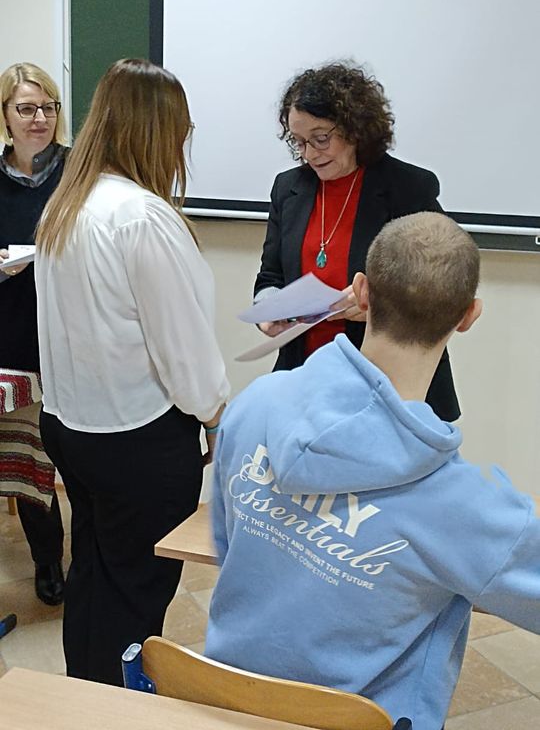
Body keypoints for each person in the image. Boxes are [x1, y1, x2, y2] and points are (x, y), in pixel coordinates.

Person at [207, 212, 540, 730]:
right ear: (468, 316)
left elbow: (227, 544)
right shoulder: (471, 508)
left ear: (360, 293)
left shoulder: (257, 403)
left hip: (225, 703)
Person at [35, 58, 230, 686]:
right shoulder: (143, 217)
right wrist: (215, 417)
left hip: (73, 427)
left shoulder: (66, 206)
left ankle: (85, 699)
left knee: (94, 575)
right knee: (135, 595)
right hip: (138, 439)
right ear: (157, 132)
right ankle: (116, 708)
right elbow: (184, 349)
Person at [255, 61, 458, 420]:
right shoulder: (288, 188)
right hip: (307, 380)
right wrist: (269, 310)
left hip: (393, 386)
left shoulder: (408, 188)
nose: (309, 154)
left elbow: (443, 284)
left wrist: (378, 309)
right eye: (299, 142)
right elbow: (270, 276)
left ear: (355, 128)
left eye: (321, 138)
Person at [0, 62, 67, 606]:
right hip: (13, 335)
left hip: (72, 333)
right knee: (27, 453)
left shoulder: (78, 170)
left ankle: (92, 550)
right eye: (26, 108)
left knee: (80, 453)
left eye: (48, 107)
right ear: (5, 116)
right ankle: (47, 559)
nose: (39, 118)